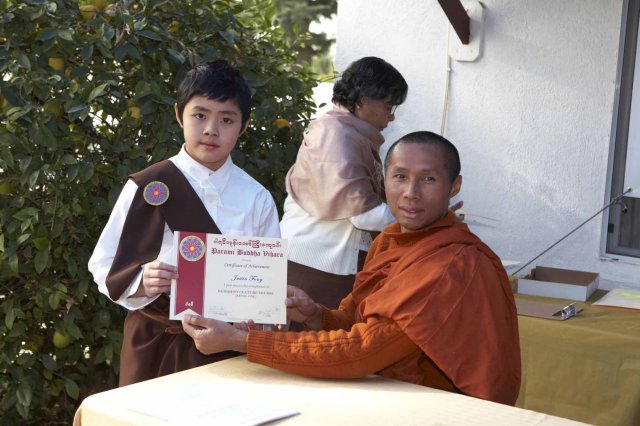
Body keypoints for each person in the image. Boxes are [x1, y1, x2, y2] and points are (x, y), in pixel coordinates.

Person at [182, 131, 521, 405]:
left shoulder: (452, 262)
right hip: (386, 392)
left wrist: (243, 341)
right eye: (400, 177)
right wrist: (317, 315)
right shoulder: (390, 239)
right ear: (383, 181)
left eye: (428, 179)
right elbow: (356, 318)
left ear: (454, 186)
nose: (411, 193)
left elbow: (365, 351)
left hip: (439, 407)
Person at [88, 60, 280, 386]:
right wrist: (142, 281)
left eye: (227, 120)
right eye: (200, 115)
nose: (211, 129)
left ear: (244, 126)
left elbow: (266, 285)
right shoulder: (148, 186)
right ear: (179, 114)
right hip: (153, 342)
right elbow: (102, 263)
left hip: (226, 348)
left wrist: (254, 319)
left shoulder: (257, 198)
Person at [281, 56, 408, 312]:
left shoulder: (346, 132)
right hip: (313, 268)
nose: (391, 117)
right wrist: (424, 219)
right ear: (362, 99)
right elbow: (364, 215)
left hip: (325, 265)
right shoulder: (336, 135)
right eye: (388, 106)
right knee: (307, 336)